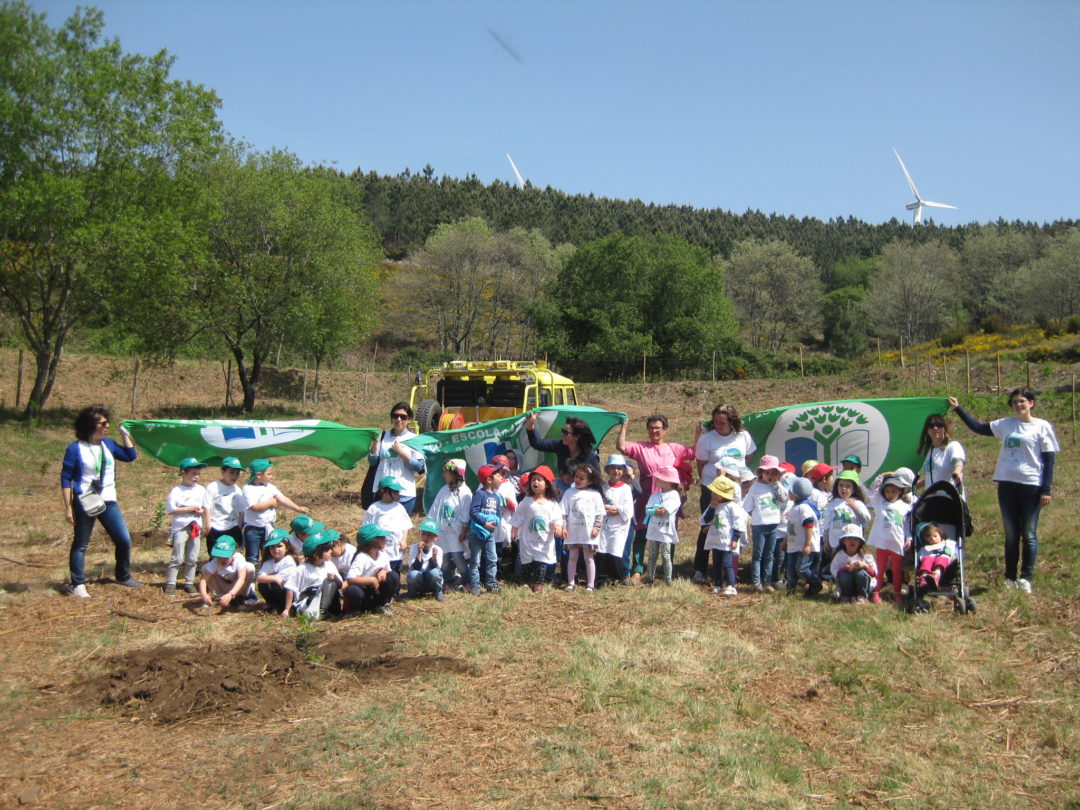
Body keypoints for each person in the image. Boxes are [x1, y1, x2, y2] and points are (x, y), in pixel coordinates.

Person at [949, 389, 1058, 593]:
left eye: (1022, 401)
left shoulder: (1042, 427)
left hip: (1031, 485)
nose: (1018, 405)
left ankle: (1025, 578)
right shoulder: (1006, 424)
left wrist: (1046, 489)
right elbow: (979, 428)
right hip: (1007, 484)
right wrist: (958, 409)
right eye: (1015, 402)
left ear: (1031, 403)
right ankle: (1009, 578)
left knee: (1029, 533)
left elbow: (1049, 461)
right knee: (1010, 534)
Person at [61, 405, 142, 597]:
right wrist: (68, 507)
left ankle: (123, 576)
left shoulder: (109, 444)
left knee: (123, 540)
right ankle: (78, 584)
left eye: (108, 422)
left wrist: (124, 435)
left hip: (108, 500)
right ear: (91, 425)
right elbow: (66, 478)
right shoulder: (75, 449)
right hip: (85, 500)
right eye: (103, 423)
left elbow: (130, 456)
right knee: (81, 543)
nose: (107, 426)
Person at [616, 415, 695, 581]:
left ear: (664, 430)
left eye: (658, 427)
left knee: (667, 528)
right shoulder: (642, 447)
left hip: (669, 496)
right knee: (641, 529)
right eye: (651, 427)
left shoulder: (673, 448)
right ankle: (638, 568)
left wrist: (698, 432)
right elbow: (622, 446)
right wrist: (624, 426)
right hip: (647, 493)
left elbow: (694, 452)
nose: (654, 431)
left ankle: (667, 566)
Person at [692, 404, 757, 583]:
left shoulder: (743, 436)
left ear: (732, 422)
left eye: (722, 422)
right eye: (715, 422)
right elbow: (700, 462)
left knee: (734, 525)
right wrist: (708, 483)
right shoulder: (707, 439)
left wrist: (738, 477)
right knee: (708, 525)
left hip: (735, 490)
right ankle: (700, 568)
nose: (718, 425)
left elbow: (748, 457)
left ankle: (728, 567)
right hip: (712, 487)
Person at [237, 459, 309, 565]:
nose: (271, 476)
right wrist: (270, 503)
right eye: (269, 474)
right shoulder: (248, 489)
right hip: (253, 529)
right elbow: (254, 507)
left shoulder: (270, 488)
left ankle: (266, 573)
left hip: (268, 527)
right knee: (252, 556)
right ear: (259, 475)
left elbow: (282, 499)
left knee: (269, 554)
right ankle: (251, 578)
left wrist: (298, 508)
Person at [511, 465, 564, 593]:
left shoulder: (552, 503)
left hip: (544, 539)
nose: (535, 482)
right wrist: (514, 528)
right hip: (528, 538)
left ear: (546, 484)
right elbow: (518, 515)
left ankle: (538, 583)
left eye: (539, 480)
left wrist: (557, 526)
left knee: (541, 562)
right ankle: (525, 580)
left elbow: (557, 518)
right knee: (527, 561)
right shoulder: (527, 501)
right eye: (533, 480)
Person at [367, 402, 426, 515]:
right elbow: (372, 462)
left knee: (399, 530)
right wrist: (375, 443)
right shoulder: (383, 436)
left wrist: (402, 453)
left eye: (403, 417)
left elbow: (419, 467)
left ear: (409, 419)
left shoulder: (414, 439)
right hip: (382, 491)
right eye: (395, 416)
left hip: (404, 494)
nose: (399, 419)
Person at [164, 457, 209, 596]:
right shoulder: (177, 490)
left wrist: (200, 512)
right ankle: (171, 583)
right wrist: (189, 508)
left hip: (195, 526)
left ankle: (189, 582)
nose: (196, 477)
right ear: (183, 473)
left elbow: (204, 507)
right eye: (193, 474)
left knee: (193, 556)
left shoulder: (201, 490)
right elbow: (172, 509)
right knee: (177, 556)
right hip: (181, 527)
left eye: (198, 474)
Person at [742, 455, 787, 593]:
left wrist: (775, 484)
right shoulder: (755, 487)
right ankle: (756, 582)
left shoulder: (777, 486)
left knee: (770, 554)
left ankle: (767, 581)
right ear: (761, 472)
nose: (770, 476)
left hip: (773, 524)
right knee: (758, 554)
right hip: (759, 525)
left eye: (773, 473)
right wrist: (755, 517)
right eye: (767, 473)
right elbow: (747, 507)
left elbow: (783, 499)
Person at [867, 472, 913, 605]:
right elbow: (871, 491)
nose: (890, 494)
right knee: (880, 569)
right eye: (887, 491)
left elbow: (907, 524)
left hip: (897, 543)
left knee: (897, 570)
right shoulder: (880, 503)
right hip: (882, 542)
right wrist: (881, 476)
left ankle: (897, 593)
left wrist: (909, 538)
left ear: (900, 491)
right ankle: (876, 591)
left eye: (893, 491)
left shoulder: (905, 507)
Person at [428, 458, 472, 592]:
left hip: (457, 533)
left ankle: (466, 579)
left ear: (456, 474)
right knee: (445, 559)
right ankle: (447, 581)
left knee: (459, 558)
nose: (444, 474)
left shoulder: (465, 492)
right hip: (443, 532)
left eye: (446, 472)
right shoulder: (443, 491)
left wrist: (464, 531)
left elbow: (466, 513)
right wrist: (432, 527)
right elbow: (435, 510)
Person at [561, 463, 605, 592]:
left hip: (588, 533)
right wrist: (564, 527)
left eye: (582, 478)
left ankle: (590, 584)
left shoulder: (595, 495)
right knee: (572, 557)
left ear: (590, 481)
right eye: (576, 477)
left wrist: (597, 528)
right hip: (572, 532)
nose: (577, 480)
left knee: (588, 558)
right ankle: (570, 582)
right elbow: (563, 511)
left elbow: (600, 514)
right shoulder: (569, 492)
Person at [466, 464, 507, 594]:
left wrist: (496, 521)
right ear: (489, 480)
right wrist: (484, 523)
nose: (501, 477)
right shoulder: (479, 494)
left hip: (489, 534)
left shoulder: (496, 497)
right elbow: (473, 512)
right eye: (498, 475)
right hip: (476, 533)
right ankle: (475, 585)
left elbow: (498, 513)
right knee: (475, 560)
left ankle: (491, 583)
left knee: (492, 559)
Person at [342, 525, 399, 615]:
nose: (385, 539)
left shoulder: (383, 555)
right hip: (363, 592)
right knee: (352, 589)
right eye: (382, 538)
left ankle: (383, 604)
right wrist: (371, 580)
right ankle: (355, 610)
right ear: (373, 542)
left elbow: (388, 571)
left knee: (393, 576)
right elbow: (351, 578)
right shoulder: (361, 557)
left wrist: (383, 571)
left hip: (376, 592)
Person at [360, 476, 413, 573]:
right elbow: (366, 528)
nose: (397, 494)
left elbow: (405, 526)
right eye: (394, 491)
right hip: (380, 550)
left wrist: (404, 540)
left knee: (394, 573)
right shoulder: (374, 508)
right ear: (383, 491)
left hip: (395, 549)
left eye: (397, 491)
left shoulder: (399, 507)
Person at [702, 476, 743, 596]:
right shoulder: (713, 506)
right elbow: (706, 519)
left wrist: (735, 538)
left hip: (727, 541)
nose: (714, 496)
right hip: (716, 540)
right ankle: (718, 584)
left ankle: (731, 585)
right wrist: (712, 509)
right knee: (716, 564)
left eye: (717, 494)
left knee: (727, 564)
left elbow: (738, 523)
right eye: (713, 493)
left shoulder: (731, 507)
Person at [642, 466, 682, 586]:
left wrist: (660, 510)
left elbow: (669, 509)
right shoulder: (655, 495)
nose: (657, 480)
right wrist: (653, 511)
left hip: (665, 530)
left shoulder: (674, 494)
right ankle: (649, 578)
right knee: (652, 555)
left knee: (665, 555)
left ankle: (668, 579)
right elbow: (648, 509)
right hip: (654, 529)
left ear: (668, 481)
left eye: (659, 478)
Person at [598, 454, 634, 586]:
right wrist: (606, 508)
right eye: (613, 468)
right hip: (604, 524)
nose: (616, 471)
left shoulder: (626, 489)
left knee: (615, 550)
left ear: (623, 470)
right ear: (608, 470)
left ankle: (619, 576)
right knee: (602, 549)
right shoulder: (603, 487)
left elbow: (628, 510)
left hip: (619, 526)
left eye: (619, 468)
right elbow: (599, 504)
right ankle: (602, 577)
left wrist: (616, 509)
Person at [524, 412, 600, 473]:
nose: (562, 435)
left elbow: (596, 479)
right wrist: (530, 424)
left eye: (566, 432)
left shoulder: (590, 457)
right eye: (563, 431)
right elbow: (537, 443)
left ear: (576, 437)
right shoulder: (560, 444)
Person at [785, 477, 822, 598]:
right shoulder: (794, 507)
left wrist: (807, 544)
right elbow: (791, 527)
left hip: (803, 546)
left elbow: (809, 525)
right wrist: (786, 541)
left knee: (801, 568)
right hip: (793, 545)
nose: (788, 492)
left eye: (790, 490)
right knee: (790, 570)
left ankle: (815, 583)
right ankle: (791, 589)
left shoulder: (804, 508)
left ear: (795, 493)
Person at [292, 532, 343, 620]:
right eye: (327, 550)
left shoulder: (329, 564)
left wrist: (335, 578)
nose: (331, 551)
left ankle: (324, 611)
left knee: (330, 582)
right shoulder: (302, 568)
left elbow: (340, 585)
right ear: (316, 555)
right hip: (311, 602)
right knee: (327, 582)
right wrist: (287, 609)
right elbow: (291, 588)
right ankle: (322, 612)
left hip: (330, 603)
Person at [199, 536, 255, 610]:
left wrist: (231, 594)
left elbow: (242, 578)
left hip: (236, 586)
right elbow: (204, 580)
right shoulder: (215, 562)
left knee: (250, 567)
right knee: (205, 568)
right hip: (222, 586)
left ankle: (240, 597)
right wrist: (204, 594)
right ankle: (219, 597)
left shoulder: (238, 558)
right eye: (219, 557)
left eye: (226, 557)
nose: (222, 560)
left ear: (233, 553)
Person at [917, 413, 966, 497]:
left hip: (949, 499)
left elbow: (958, 463)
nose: (935, 428)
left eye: (939, 425)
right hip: (932, 501)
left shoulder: (953, 446)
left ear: (944, 428)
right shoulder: (930, 451)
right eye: (931, 425)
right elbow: (932, 476)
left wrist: (957, 472)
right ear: (927, 430)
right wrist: (912, 486)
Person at [821, 471, 871, 552]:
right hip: (835, 542)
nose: (843, 488)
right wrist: (826, 539)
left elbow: (865, 520)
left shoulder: (858, 503)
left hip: (852, 543)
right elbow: (827, 523)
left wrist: (856, 508)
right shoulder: (833, 503)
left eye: (848, 486)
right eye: (841, 485)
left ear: (853, 490)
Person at [203, 457, 243, 556]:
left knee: (234, 555)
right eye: (231, 472)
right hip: (216, 527)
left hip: (232, 526)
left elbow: (241, 511)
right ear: (223, 472)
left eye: (237, 473)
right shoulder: (213, 487)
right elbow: (207, 506)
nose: (234, 476)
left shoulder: (237, 490)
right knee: (215, 556)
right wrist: (208, 525)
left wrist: (239, 526)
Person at [829, 524, 878, 603]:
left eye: (855, 539)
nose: (852, 541)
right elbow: (833, 570)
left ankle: (862, 596)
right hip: (846, 585)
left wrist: (864, 566)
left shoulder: (866, 555)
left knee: (861, 573)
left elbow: (874, 573)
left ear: (860, 542)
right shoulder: (840, 555)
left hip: (863, 585)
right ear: (844, 541)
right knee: (845, 575)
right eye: (849, 538)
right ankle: (846, 596)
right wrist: (844, 569)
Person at [256, 528, 297, 616]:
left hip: (288, 594)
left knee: (274, 585)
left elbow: (287, 584)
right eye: (272, 547)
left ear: (287, 547)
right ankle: (272, 604)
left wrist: (270, 576)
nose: (276, 549)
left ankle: (285, 608)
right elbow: (259, 578)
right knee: (263, 584)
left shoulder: (288, 561)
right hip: (277, 589)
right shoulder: (269, 561)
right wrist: (274, 577)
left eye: (279, 546)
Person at [405, 520, 445, 601]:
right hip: (419, 579)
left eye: (430, 535)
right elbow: (414, 568)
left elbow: (436, 569)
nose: (425, 537)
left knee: (435, 573)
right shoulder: (414, 547)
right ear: (419, 533)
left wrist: (434, 556)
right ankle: (412, 593)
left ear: (436, 537)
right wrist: (419, 552)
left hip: (430, 580)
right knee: (413, 574)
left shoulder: (438, 549)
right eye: (423, 533)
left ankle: (438, 592)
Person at [914, 521, 957, 590]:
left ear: (940, 534)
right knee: (927, 559)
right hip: (929, 565)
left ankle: (936, 575)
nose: (933, 539)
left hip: (945, 568)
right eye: (929, 538)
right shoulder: (925, 548)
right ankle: (924, 578)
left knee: (942, 558)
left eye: (935, 536)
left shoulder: (949, 543)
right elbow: (920, 557)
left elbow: (955, 552)